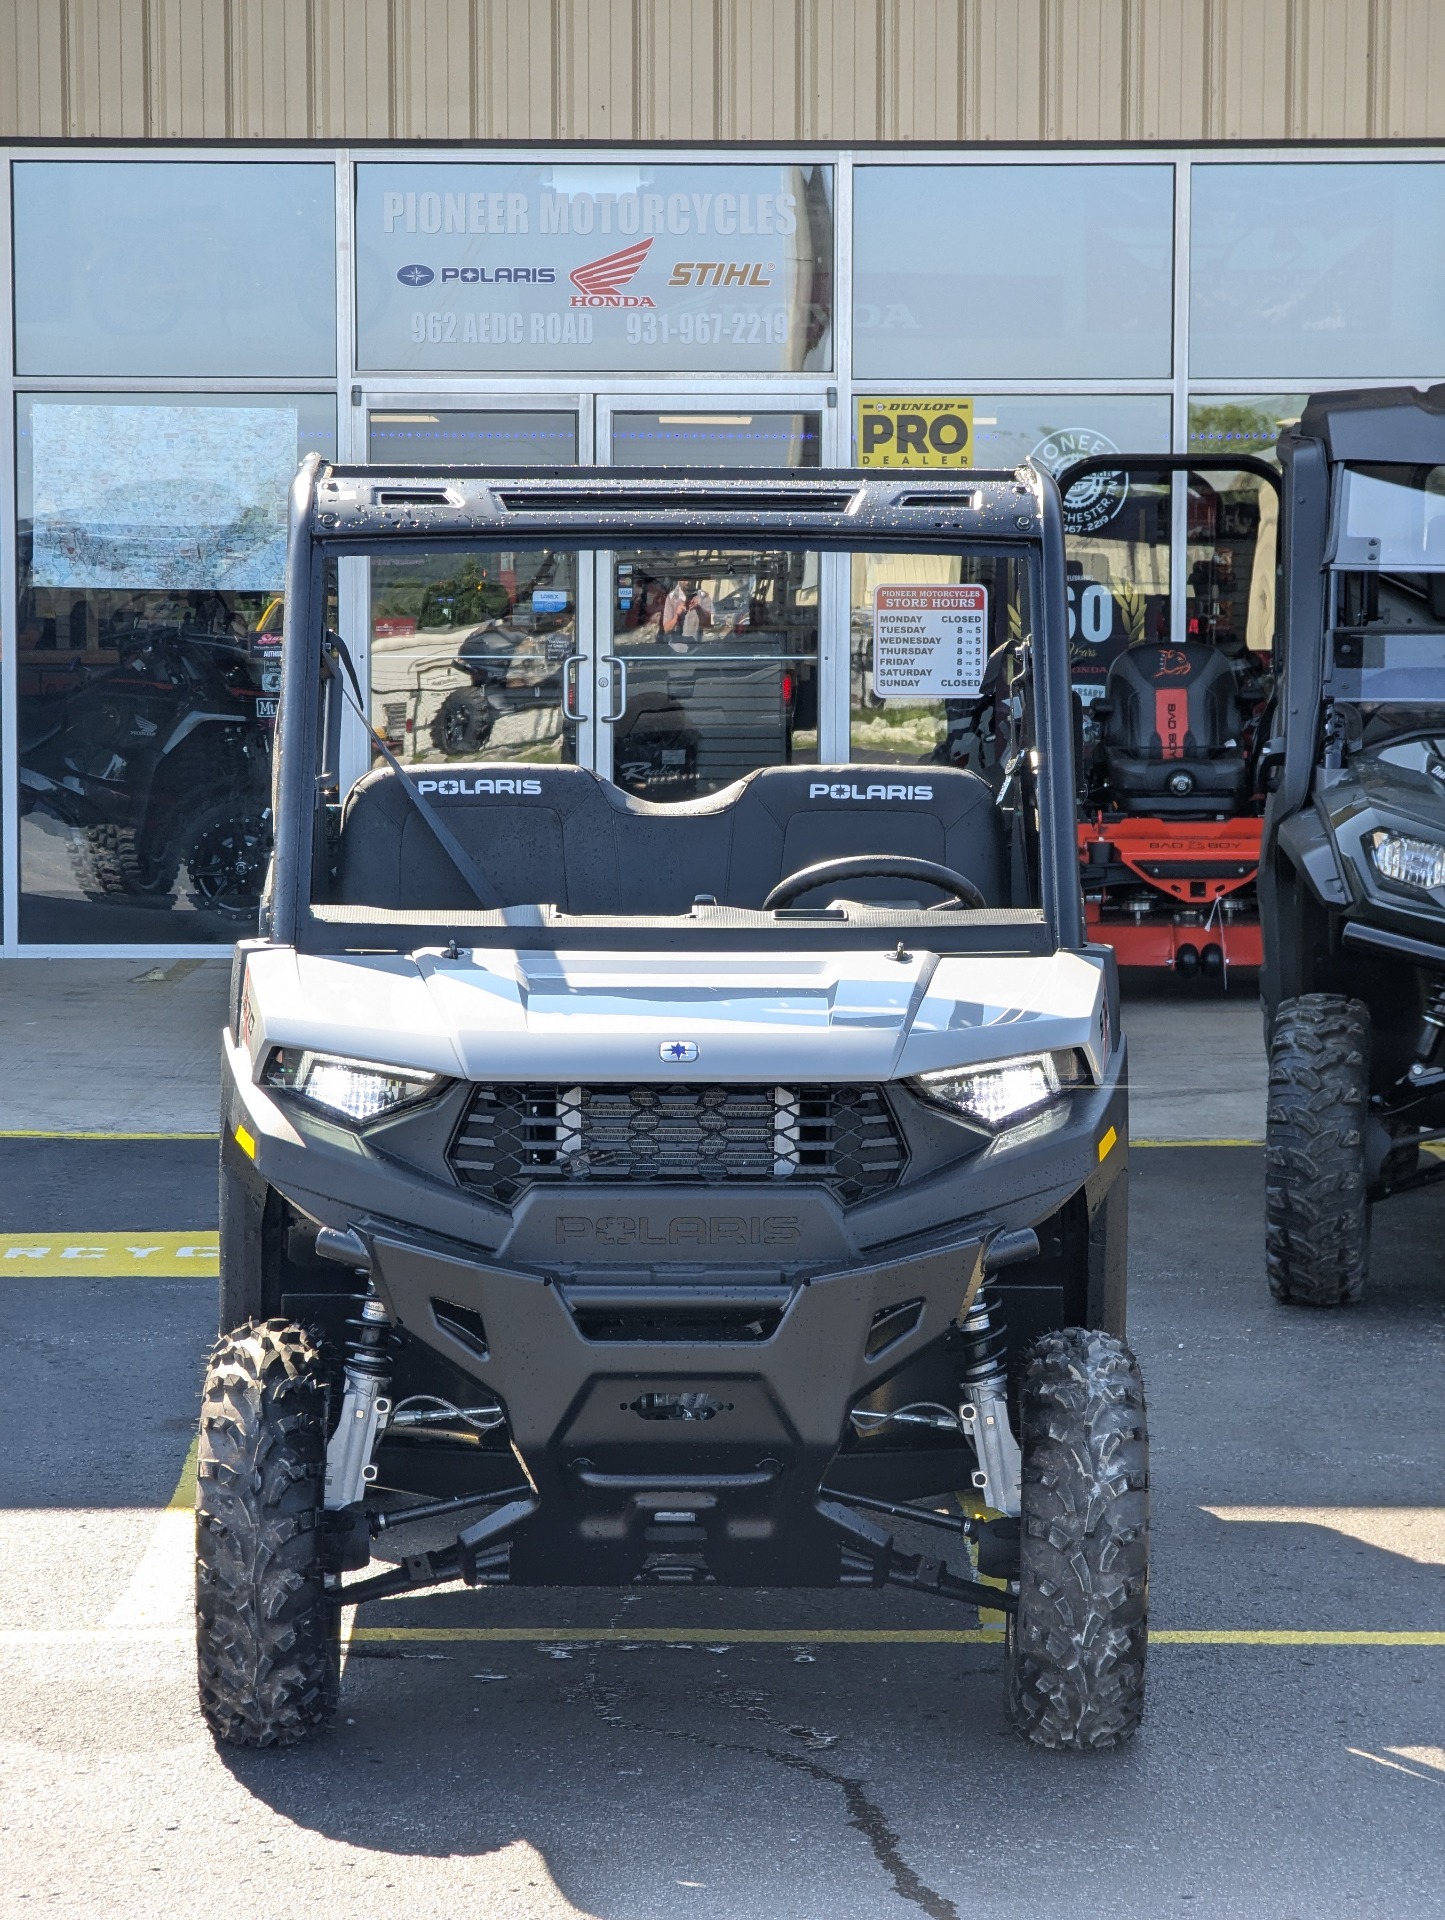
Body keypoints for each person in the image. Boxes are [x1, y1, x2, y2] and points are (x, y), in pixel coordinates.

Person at [661, 578, 713, 650]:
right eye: (684, 579)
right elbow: (666, 629)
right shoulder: (671, 597)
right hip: (674, 652)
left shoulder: (703, 596)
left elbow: (709, 625)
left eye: (690, 579)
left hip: (697, 650)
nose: (687, 582)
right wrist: (677, 616)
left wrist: (699, 609)